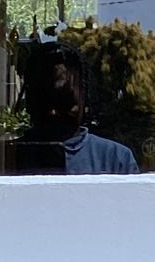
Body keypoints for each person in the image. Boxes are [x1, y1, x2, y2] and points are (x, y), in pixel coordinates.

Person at [16, 42, 140, 175]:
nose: (52, 112)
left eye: (65, 101)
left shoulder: (116, 160)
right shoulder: (9, 157)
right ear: (30, 102)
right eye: (43, 101)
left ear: (84, 97)